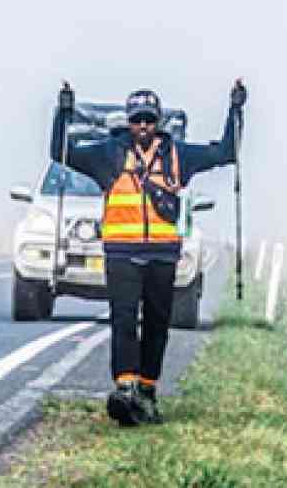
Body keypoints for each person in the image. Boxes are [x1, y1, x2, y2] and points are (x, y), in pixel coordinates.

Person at [50, 79, 247, 426]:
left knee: (157, 326)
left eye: (149, 120)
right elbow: (61, 153)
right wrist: (62, 113)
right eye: (138, 120)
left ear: (158, 122)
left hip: (162, 255)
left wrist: (235, 111)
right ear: (128, 121)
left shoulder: (178, 154)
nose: (143, 127)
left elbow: (226, 153)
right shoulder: (107, 153)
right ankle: (125, 388)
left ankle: (147, 391)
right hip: (122, 253)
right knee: (124, 321)